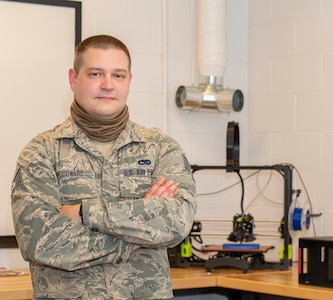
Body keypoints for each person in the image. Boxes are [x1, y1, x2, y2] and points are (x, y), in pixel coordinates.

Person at [11, 34, 197, 300]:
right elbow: (39, 240)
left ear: (129, 81)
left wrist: (84, 213)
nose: (108, 85)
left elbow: (177, 221)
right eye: (96, 74)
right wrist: (136, 237)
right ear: (74, 79)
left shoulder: (160, 148)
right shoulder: (41, 152)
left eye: (118, 75)